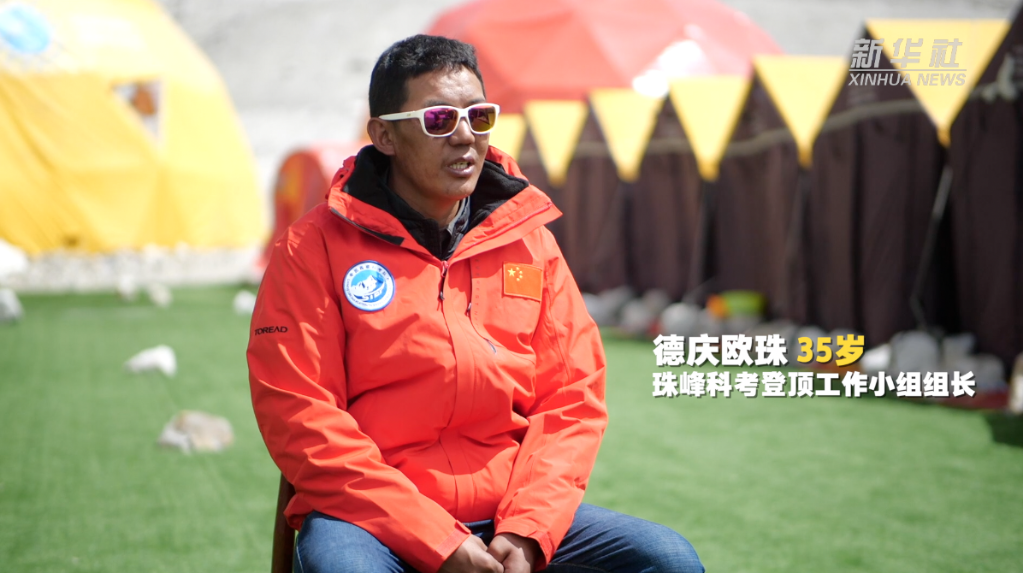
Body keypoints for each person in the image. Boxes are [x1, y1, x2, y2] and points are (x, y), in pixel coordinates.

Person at [247, 34, 704, 573]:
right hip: (371, 518)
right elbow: (301, 413)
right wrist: (434, 539)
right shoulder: (312, 248)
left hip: (509, 512)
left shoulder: (530, 242)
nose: (465, 135)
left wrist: (528, 528)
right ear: (384, 135)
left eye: (479, 116)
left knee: (668, 560)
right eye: (439, 119)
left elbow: (572, 398)